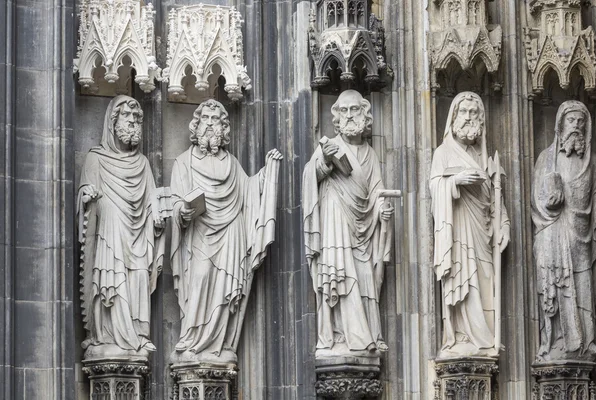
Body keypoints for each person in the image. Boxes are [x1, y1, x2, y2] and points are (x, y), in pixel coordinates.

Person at [170, 99, 282, 363]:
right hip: (199, 234)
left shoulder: (231, 163)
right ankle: (193, 337)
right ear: (196, 126)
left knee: (224, 289)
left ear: (224, 128)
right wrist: (181, 212)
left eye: (216, 120)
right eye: (205, 119)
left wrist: (267, 173)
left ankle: (218, 343)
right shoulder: (183, 162)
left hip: (230, 233)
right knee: (199, 279)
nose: (210, 125)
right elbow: (174, 200)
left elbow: (248, 192)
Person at [302, 89, 393, 357]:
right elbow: (310, 177)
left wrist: (382, 209)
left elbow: (377, 191)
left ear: (365, 116)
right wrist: (325, 164)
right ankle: (338, 337)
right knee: (339, 276)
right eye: (344, 111)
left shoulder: (370, 155)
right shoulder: (330, 146)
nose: (350, 116)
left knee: (364, 277)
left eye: (355, 110)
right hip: (335, 221)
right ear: (337, 118)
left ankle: (368, 335)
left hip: (362, 229)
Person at [78, 95, 165, 357]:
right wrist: (87, 198)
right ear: (113, 122)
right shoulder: (96, 159)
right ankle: (106, 334)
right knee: (111, 278)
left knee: (138, 275)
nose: (133, 123)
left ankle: (138, 333)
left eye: (137, 119)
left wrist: (157, 218)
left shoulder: (143, 164)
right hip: (110, 234)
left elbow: (152, 201)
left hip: (138, 236)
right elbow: (85, 195)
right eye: (128, 118)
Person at [430, 91, 509, 358]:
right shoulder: (443, 153)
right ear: (453, 117)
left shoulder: (485, 158)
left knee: (485, 282)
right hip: (457, 231)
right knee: (462, 281)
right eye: (463, 112)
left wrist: (505, 224)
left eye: (474, 113)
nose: (468, 118)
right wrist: (454, 182)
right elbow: (435, 189)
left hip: (482, 235)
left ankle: (485, 340)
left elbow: (495, 200)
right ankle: (460, 335)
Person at [532, 100, 596, 362]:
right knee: (558, 286)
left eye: (581, 122)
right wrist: (549, 205)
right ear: (560, 125)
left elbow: (595, 193)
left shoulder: (591, 161)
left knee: (584, 285)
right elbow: (536, 201)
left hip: (581, 236)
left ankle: (586, 338)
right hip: (555, 233)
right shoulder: (546, 160)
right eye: (571, 121)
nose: (576, 126)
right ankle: (558, 339)